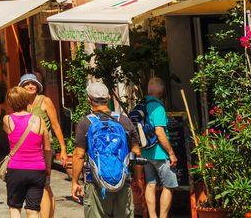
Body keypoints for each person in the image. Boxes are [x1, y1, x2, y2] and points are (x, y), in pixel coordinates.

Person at [70, 81, 141, 218]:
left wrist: (75, 182)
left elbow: (79, 155)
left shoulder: (85, 123)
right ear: (108, 98)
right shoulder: (124, 121)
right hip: (122, 182)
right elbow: (136, 152)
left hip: (95, 183)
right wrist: (137, 179)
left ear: (89, 100)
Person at [18, 73, 67, 218]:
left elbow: (56, 125)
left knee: (44, 184)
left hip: (44, 149)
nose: (30, 86)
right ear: (22, 87)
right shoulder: (20, 103)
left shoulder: (45, 101)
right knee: (39, 185)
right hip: (27, 150)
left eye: (33, 83)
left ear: (38, 86)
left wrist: (63, 148)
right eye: (27, 84)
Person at [2, 86, 52, 218]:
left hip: (16, 169)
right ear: (27, 100)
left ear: (10, 103)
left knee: (14, 208)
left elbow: (10, 133)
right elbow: (47, 148)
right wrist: (48, 169)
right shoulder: (39, 121)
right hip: (37, 169)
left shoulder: (7, 120)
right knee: (33, 210)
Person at [141, 78, 179, 218]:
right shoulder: (157, 107)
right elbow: (159, 132)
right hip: (160, 153)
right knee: (169, 186)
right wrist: (171, 153)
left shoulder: (142, 104)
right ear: (161, 91)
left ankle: (152, 216)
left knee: (150, 184)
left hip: (145, 152)